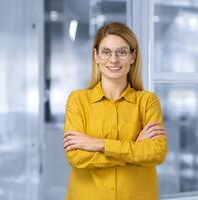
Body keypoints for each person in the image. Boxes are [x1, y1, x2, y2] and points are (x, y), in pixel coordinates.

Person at [63, 22, 168, 200]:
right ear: (96, 56)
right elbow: (76, 157)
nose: (113, 60)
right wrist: (134, 150)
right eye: (106, 52)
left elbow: (156, 152)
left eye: (122, 52)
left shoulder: (147, 102)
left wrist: (99, 144)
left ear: (133, 56)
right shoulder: (77, 101)